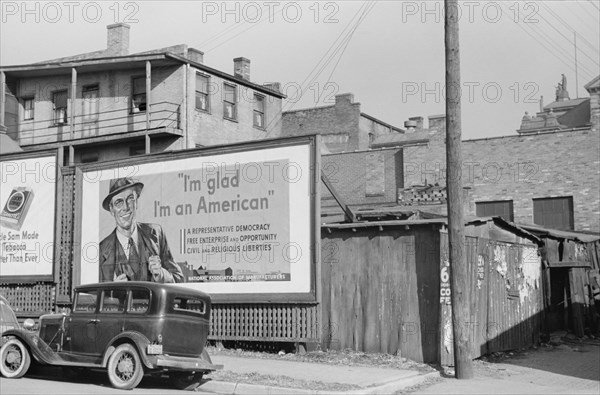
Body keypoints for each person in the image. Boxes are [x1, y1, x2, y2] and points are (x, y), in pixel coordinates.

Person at [99, 177, 184, 283]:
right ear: (111, 210)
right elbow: (94, 294)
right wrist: (114, 290)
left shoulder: (156, 233)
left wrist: (161, 274)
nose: (125, 207)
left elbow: (179, 280)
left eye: (130, 199)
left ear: (136, 202)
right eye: (119, 202)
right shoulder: (101, 250)